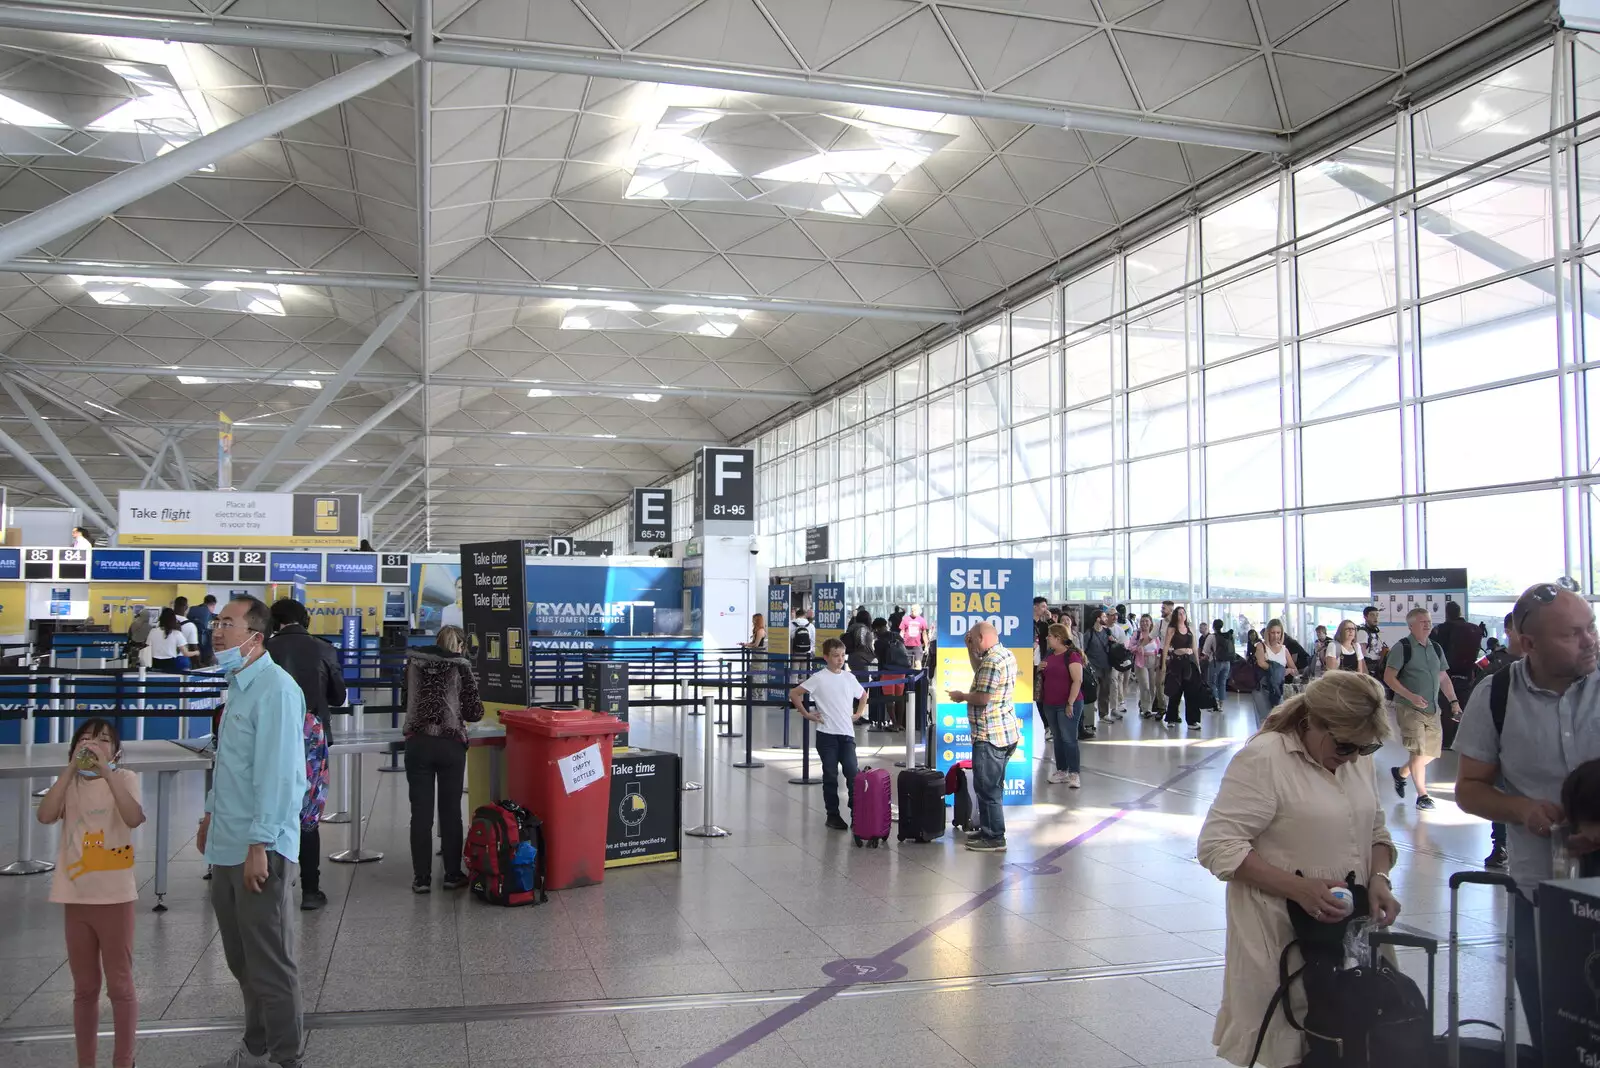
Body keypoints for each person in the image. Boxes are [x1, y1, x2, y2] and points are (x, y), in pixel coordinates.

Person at [1197, 671, 1401, 1067]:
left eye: (1366, 748)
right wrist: (1297, 888)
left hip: (1349, 930)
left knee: (1354, 1042)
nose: (1354, 758)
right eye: (1345, 747)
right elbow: (1218, 846)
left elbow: (1377, 829)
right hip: (1280, 932)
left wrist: (1379, 878)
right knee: (1292, 1043)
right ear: (1315, 722)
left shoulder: (1352, 755)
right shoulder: (1266, 758)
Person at [1457, 584, 1600, 1051]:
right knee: (1554, 1029)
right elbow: (1469, 789)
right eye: (1573, 633)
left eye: (1591, 628)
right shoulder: (1495, 695)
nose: (1589, 640)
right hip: (1539, 895)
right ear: (1528, 643)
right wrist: (1521, 809)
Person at [196, 595, 308, 1068]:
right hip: (226, 842)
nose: (217, 630)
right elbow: (230, 765)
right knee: (240, 959)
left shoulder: (277, 690)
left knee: (269, 959)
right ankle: (257, 1043)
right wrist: (207, 816)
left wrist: (259, 844)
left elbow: (280, 775)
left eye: (228, 623)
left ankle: (285, 1056)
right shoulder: (238, 685)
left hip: (257, 848)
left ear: (255, 637)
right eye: (217, 621)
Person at [37, 718, 145, 1068]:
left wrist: (109, 773)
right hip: (76, 896)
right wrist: (70, 770)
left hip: (115, 897)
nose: (94, 745)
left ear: (115, 751)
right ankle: (86, 1062)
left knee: (120, 985)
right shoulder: (69, 785)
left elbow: (133, 817)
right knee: (84, 988)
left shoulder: (126, 779)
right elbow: (46, 815)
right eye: (86, 739)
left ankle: (123, 1061)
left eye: (103, 740)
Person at [264, 599, 346, 911]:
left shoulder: (263, 650)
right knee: (309, 814)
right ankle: (311, 890)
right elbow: (338, 696)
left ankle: (271, 886)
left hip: (271, 738)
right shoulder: (323, 648)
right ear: (304, 619)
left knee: (270, 809)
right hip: (312, 740)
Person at [402, 624, 484, 893]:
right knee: (450, 812)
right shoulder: (461, 666)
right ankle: (451, 874)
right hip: (450, 745)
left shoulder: (413, 663)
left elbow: (408, 699)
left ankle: (421, 878)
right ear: (460, 646)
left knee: (421, 814)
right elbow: (474, 712)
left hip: (418, 743)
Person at [945, 621, 1020, 852]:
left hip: (990, 734)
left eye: (973, 640)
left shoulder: (992, 661)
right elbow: (981, 671)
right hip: (1005, 732)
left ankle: (995, 837)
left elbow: (983, 698)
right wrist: (970, 650)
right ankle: (988, 828)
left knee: (988, 788)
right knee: (991, 786)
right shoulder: (1004, 655)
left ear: (980, 637)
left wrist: (962, 696)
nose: (973, 644)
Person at [1386, 606, 1463, 811]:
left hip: (1433, 709)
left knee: (1431, 752)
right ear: (1411, 626)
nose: (1428, 624)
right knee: (1418, 751)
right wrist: (1410, 696)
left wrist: (1453, 701)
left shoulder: (1436, 648)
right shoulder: (1402, 647)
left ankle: (1401, 773)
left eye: (1429, 620)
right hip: (1409, 708)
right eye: (1422, 621)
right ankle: (1422, 795)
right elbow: (1389, 677)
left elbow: (1443, 677)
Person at [790, 637, 867, 831]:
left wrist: (858, 713)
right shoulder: (819, 678)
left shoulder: (849, 678)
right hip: (827, 735)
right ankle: (832, 814)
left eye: (842, 655)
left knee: (852, 773)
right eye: (835, 656)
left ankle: (856, 812)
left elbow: (863, 694)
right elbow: (794, 693)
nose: (840, 659)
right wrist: (807, 714)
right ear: (826, 657)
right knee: (830, 775)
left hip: (846, 734)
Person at [1430, 600, 1485, 751]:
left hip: (1446, 674)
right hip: (1467, 674)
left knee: (1446, 707)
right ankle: (1460, 740)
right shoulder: (1474, 629)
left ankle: (1447, 742)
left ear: (1447, 613)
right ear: (1460, 612)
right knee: (1462, 706)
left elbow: (1433, 651)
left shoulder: (1441, 629)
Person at [1039, 624, 1084, 788]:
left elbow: (1077, 680)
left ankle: (1074, 773)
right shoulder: (1049, 654)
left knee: (1069, 739)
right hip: (1050, 703)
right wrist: (1039, 668)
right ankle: (1062, 770)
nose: (1047, 638)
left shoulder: (1072, 656)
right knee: (1058, 739)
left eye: (1049, 636)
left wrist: (1070, 703)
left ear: (1058, 638)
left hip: (1068, 704)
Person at [1164, 606, 1205, 731]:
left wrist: (1198, 665)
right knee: (1175, 691)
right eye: (1179, 613)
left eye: (1184, 613)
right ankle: (1171, 717)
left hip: (1189, 664)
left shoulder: (1190, 629)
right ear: (1176, 616)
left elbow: (1194, 648)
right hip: (1176, 664)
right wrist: (1163, 664)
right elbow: (1166, 646)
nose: (1182, 616)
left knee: (1191, 692)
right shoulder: (1172, 629)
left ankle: (1192, 720)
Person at [1252, 619, 1299, 725]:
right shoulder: (1261, 646)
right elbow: (1261, 663)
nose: (1275, 636)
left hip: (1279, 689)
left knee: (1278, 720)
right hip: (1262, 688)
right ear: (1268, 633)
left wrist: (1290, 671)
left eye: (1278, 633)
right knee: (1264, 721)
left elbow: (1294, 669)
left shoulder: (1284, 649)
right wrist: (1282, 670)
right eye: (1273, 632)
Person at [872, 618, 911, 731]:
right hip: (901, 671)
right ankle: (899, 723)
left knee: (889, 699)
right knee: (900, 698)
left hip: (887, 672)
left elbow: (880, 659)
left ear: (877, 629)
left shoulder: (879, 642)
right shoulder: (897, 636)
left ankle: (894, 724)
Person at [1083, 607, 1117, 726]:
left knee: (1105, 690)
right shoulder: (1089, 634)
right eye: (1103, 617)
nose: (1106, 618)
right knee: (1092, 690)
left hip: (1106, 665)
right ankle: (1089, 714)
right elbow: (1083, 651)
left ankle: (1103, 714)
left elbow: (1113, 646)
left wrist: (1113, 641)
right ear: (1098, 619)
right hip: (1093, 667)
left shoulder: (1107, 632)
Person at [1131, 614, 1162, 718]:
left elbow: (1158, 648)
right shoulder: (1137, 633)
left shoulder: (1154, 634)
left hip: (1153, 661)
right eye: (1142, 621)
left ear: (1151, 622)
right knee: (1145, 685)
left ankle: (1147, 705)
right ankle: (1146, 709)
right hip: (1141, 661)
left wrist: (1158, 659)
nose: (1144, 623)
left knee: (1153, 686)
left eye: (1146, 621)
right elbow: (1130, 647)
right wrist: (1138, 646)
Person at [1205, 617, 1235, 708]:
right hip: (1227, 663)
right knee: (1222, 683)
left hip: (1215, 662)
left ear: (1213, 627)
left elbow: (1206, 650)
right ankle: (1221, 704)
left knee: (1212, 682)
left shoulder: (1212, 636)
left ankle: (1215, 703)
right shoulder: (1229, 635)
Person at [1152, 600, 1174, 719]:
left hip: (1175, 656)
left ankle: (1173, 710)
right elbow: (1150, 637)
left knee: (1174, 684)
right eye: (1162, 608)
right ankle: (1161, 707)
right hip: (1162, 656)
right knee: (1159, 683)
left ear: (1171, 610)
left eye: (1164, 608)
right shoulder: (1159, 624)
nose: (1162, 610)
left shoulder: (1177, 624)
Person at [147, 607, 186, 672]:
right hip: (170, 662)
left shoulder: (153, 631)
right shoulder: (176, 633)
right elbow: (183, 652)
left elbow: (148, 646)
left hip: (154, 662)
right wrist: (196, 652)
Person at [188, 594, 219, 667]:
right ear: (213, 605)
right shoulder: (211, 617)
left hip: (191, 647)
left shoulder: (192, 610)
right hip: (206, 648)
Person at [1359, 605, 1387, 679]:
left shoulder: (1374, 632)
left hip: (1376, 666)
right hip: (1369, 668)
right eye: (1372, 615)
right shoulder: (1363, 632)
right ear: (1365, 617)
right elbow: (1361, 655)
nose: (1375, 617)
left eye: (1377, 615)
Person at [898, 603, 929, 669]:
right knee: (907, 665)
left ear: (918, 611)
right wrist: (900, 644)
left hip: (917, 646)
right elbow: (902, 632)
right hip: (906, 646)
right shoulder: (905, 619)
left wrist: (926, 646)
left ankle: (918, 678)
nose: (913, 611)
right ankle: (908, 678)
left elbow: (924, 634)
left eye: (915, 610)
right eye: (912, 610)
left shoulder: (922, 620)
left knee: (918, 664)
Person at [173, 596, 201, 668]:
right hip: (181, 661)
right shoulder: (190, 625)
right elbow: (193, 647)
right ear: (186, 607)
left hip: (162, 660)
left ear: (174, 606)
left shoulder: (161, 622)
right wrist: (198, 665)